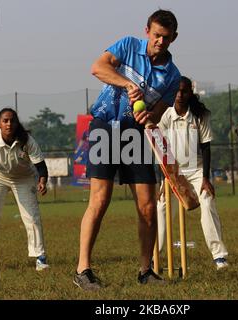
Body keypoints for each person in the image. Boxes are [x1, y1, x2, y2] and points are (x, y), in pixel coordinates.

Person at [73, 9, 181, 290]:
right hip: (105, 126)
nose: (159, 41)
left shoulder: (172, 75)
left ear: (174, 38)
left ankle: (146, 271)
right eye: (156, 35)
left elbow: (157, 113)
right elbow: (98, 68)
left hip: (135, 134)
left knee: (147, 206)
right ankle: (83, 270)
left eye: (166, 37)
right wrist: (127, 83)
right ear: (147, 31)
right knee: (100, 199)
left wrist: (149, 116)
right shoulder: (128, 45)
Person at [157, 76, 229, 270]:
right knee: (161, 208)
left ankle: (219, 256)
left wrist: (206, 178)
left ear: (190, 93)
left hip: (196, 169)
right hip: (173, 171)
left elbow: (206, 147)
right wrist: (162, 180)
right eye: (177, 91)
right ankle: (156, 256)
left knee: (207, 201)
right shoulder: (165, 115)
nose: (180, 95)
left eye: (184, 91)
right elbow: (160, 149)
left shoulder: (200, 115)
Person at [0, 107, 50, 272]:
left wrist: (42, 181)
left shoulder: (27, 140)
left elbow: (40, 165)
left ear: (17, 123)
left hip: (24, 179)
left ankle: (40, 258)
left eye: (12, 120)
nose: (9, 124)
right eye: (5, 121)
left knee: (32, 217)